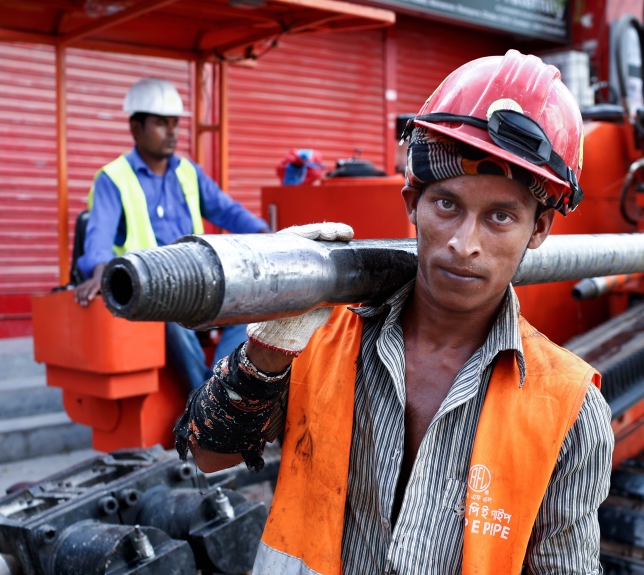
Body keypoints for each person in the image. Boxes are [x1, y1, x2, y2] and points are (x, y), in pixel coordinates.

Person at [175, 50, 615, 574]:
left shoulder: (568, 409)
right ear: (412, 201)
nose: (463, 244)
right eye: (447, 204)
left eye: (500, 216)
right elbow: (209, 456)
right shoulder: (323, 338)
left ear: (538, 229)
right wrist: (268, 347)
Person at [74, 78, 270, 391]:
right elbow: (99, 233)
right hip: (150, 292)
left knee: (255, 307)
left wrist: (266, 233)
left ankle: (214, 389)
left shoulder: (188, 172)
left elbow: (228, 210)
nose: (172, 132)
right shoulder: (113, 178)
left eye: (175, 124)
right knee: (167, 316)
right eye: (161, 124)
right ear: (136, 129)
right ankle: (205, 398)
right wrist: (100, 270)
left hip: (201, 284)